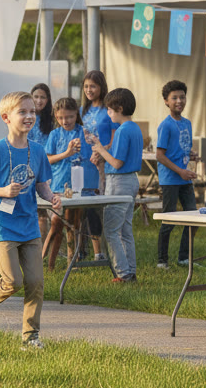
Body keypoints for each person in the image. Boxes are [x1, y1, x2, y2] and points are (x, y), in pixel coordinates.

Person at [0, 91, 62, 349]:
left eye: (32, 111)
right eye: (22, 112)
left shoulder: (39, 151)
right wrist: (2, 191)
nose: (29, 116)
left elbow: (42, 186)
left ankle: (30, 337)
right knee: (13, 281)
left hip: (29, 225)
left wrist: (52, 197)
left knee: (35, 283)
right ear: (6, 117)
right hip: (2, 226)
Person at [86, 88, 142, 283]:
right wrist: (103, 148)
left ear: (119, 108)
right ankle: (130, 270)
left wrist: (101, 149)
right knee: (125, 229)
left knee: (111, 230)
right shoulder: (134, 128)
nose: (108, 114)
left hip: (119, 181)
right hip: (132, 180)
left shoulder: (122, 130)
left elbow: (117, 163)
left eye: (110, 110)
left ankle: (122, 273)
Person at [42, 97, 91, 270]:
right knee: (56, 222)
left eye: (69, 117)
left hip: (77, 186)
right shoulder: (55, 134)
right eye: (61, 118)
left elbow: (90, 155)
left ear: (76, 114)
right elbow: (47, 159)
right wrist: (66, 153)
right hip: (58, 186)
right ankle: (46, 261)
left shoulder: (83, 132)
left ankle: (73, 261)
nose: (65, 121)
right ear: (56, 116)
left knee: (73, 224)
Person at [155, 79, 195, 268]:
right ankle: (162, 260)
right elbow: (160, 155)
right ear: (166, 101)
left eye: (182, 97)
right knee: (169, 219)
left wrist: (191, 154)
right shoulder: (166, 125)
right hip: (171, 179)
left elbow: (180, 148)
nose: (179, 101)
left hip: (185, 179)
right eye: (174, 98)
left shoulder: (187, 123)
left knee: (194, 218)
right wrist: (180, 171)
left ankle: (184, 258)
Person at [79, 71, 113, 260]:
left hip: (102, 164)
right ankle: (80, 250)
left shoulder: (108, 110)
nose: (89, 90)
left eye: (92, 86)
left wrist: (102, 152)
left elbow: (114, 137)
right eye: (86, 86)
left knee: (98, 208)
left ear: (101, 87)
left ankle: (101, 251)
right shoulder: (82, 111)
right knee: (82, 208)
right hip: (84, 165)